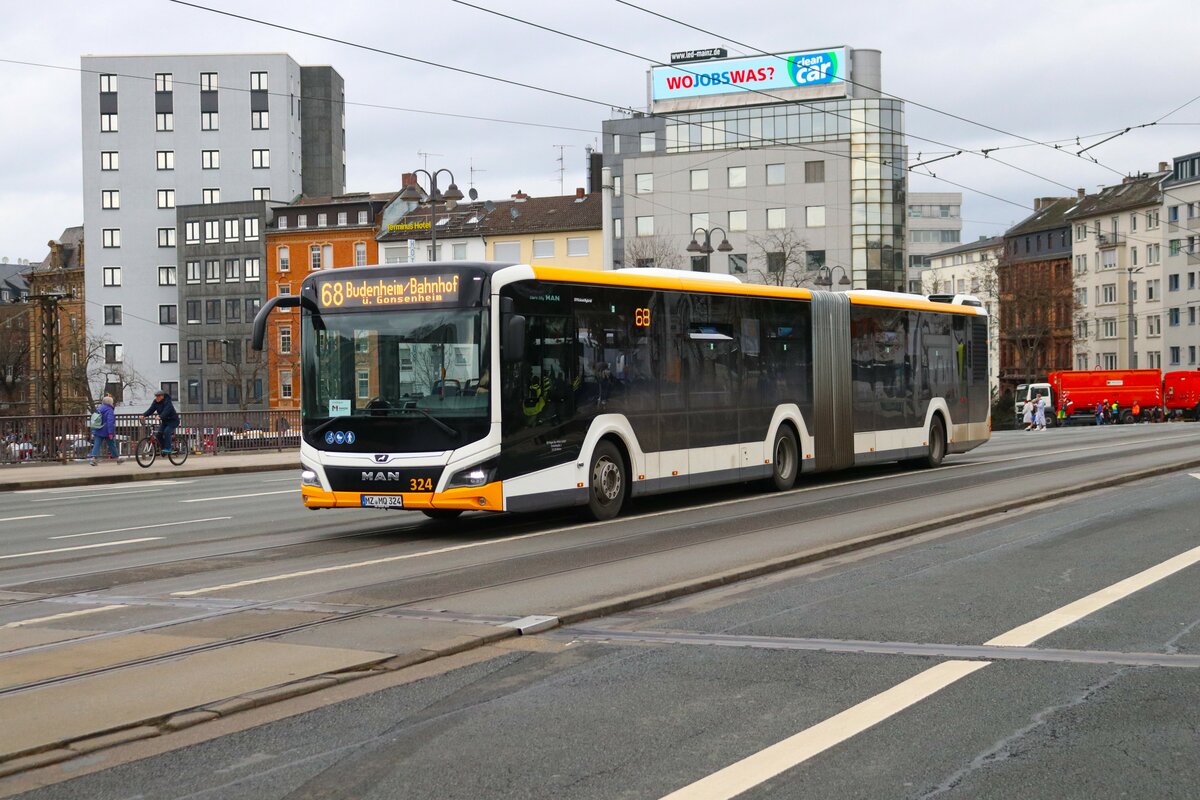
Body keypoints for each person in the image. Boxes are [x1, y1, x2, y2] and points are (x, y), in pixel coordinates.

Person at [143, 389, 180, 453]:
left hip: (173, 421)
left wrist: (160, 416)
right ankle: (164, 449)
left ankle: (168, 448)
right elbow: (151, 410)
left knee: (167, 431)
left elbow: (166, 410)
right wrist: (143, 415)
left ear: (162, 396)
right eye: (156, 396)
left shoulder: (167, 401)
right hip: (165, 422)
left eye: (158, 396)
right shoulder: (155, 402)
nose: (157, 398)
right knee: (158, 435)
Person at [88, 396, 122, 466]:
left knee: (96, 445)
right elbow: (110, 422)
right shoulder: (109, 410)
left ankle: (93, 458)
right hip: (106, 431)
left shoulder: (99, 408)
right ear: (110, 402)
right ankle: (117, 458)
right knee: (112, 445)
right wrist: (110, 432)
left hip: (98, 429)